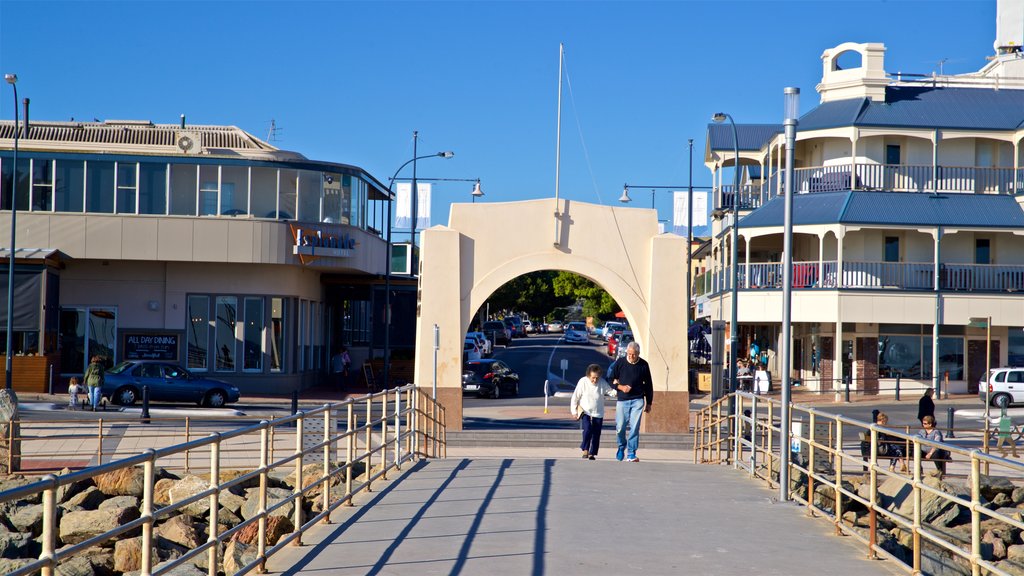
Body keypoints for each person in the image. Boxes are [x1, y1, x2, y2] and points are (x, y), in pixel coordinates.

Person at [610, 341, 653, 462]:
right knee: (620, 427)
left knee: (634, 427)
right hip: (622, 400)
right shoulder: (620, 363)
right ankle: (621, 446)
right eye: (629, 354)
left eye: (634, 354)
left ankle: (631, 453)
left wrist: (649, 402)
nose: (631, 356)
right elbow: (610, 379)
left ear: (638, 354)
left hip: (638, 400)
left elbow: (649, 385)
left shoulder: (644, 365)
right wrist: (621, 387)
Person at [570, 363, 617, 460]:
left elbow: (610, 391)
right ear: (588, 375)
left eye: (597, 378)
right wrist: (574, 411)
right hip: (585, 411)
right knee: (587, 430)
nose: (595, 380)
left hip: (598, 412)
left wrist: (618, 390)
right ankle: (585, 449)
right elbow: (575, 397)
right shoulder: (583, 381)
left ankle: (592, 453)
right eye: (593, 378)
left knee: (596, 433)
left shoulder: (602, 382)